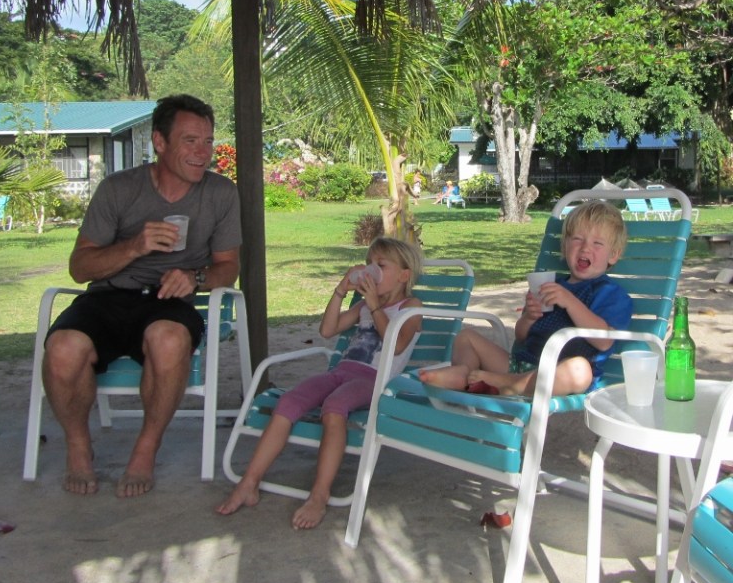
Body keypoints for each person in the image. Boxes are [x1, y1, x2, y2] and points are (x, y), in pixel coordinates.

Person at [42, 94, 241, 498]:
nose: (203, 153)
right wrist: (134, 247)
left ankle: (145, 450)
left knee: (169, 340)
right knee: (62, 347)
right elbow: (80, 268)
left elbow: (228, 267)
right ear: (160, 142)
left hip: (169, 301)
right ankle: (79, 445)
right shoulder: (118, 189)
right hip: (108, 297)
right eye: (190, 141)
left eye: (208, 141)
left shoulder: (221, 194)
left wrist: (196, 276)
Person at [217, 237, 423, 529]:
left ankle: (319, 495)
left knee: (334, 406)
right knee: (288, 402)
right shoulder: (365, 304)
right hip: (341, 371)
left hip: (375, 380)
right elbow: (327, 330)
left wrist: (376, 307)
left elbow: (398, 345)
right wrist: (341, 291)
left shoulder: (411, 306)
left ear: (404, 275)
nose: (370, 270)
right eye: (368, 264)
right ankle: (249, 482)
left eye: (380, 265)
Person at [420, 200, 632, 397]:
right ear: (565, 246)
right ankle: (464, 374)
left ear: (613, 255)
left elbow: (604, 341)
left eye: (597, 243)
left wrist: (570, 301)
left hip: (559, 371)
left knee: (579, 370)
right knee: (466, 337)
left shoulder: (610, 293)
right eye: (577, 239)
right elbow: (521, 336)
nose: (585, 247)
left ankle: (510, 385)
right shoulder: (551, 284)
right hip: (522, 364)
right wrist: (530, 317)